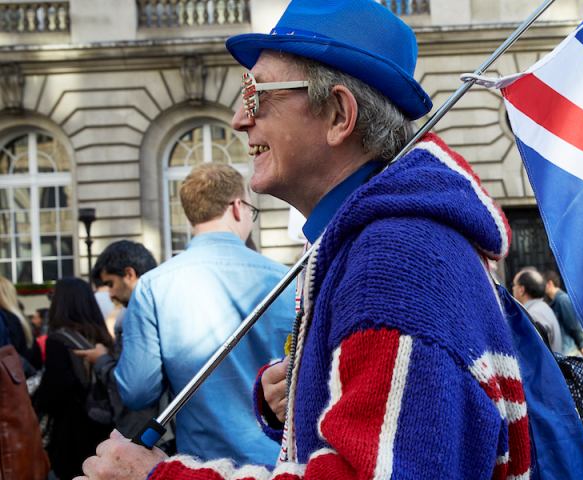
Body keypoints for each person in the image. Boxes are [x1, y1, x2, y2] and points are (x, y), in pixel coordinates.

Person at [79, 0, 529, 478]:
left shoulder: (397, 261)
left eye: (256, 94)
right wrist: (307, 396)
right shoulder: (375, 245)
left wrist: (154, 476)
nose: (238, 119)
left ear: (338, 114)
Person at [112, 162, 293, 464]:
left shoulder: (153, 286)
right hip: (278, 461)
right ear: (238, 207)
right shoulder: (285, 279)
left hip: (199, 464)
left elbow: (137, 391)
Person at [75, 240, 160, 440]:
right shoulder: (144, 307)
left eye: (111, 284)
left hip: (142, 428)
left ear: (130, 274)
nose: (111, 294)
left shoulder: (136, 313)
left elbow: (133, 385)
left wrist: (102, 360)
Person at [34, 277, 115, 480]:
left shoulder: (58, 339)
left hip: (71, 433)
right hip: (105, 426)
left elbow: (55, 390)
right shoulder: (102, 335)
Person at [513, 269, 563, 353]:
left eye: (514, 284)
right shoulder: (542, 307)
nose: (513, 288)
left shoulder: (533, 315)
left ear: (522, 290)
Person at [543, 270, 583, 357]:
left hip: (568, 351)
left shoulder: (563, 300)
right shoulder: (554, 301)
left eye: (543, 283)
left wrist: (582, 345)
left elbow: (574, 326)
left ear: (550, 283)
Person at [0, 276, 40, 370]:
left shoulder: (9, 320)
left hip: (16, 377)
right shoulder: (20, 319)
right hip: (22, 378)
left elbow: (8, 354)